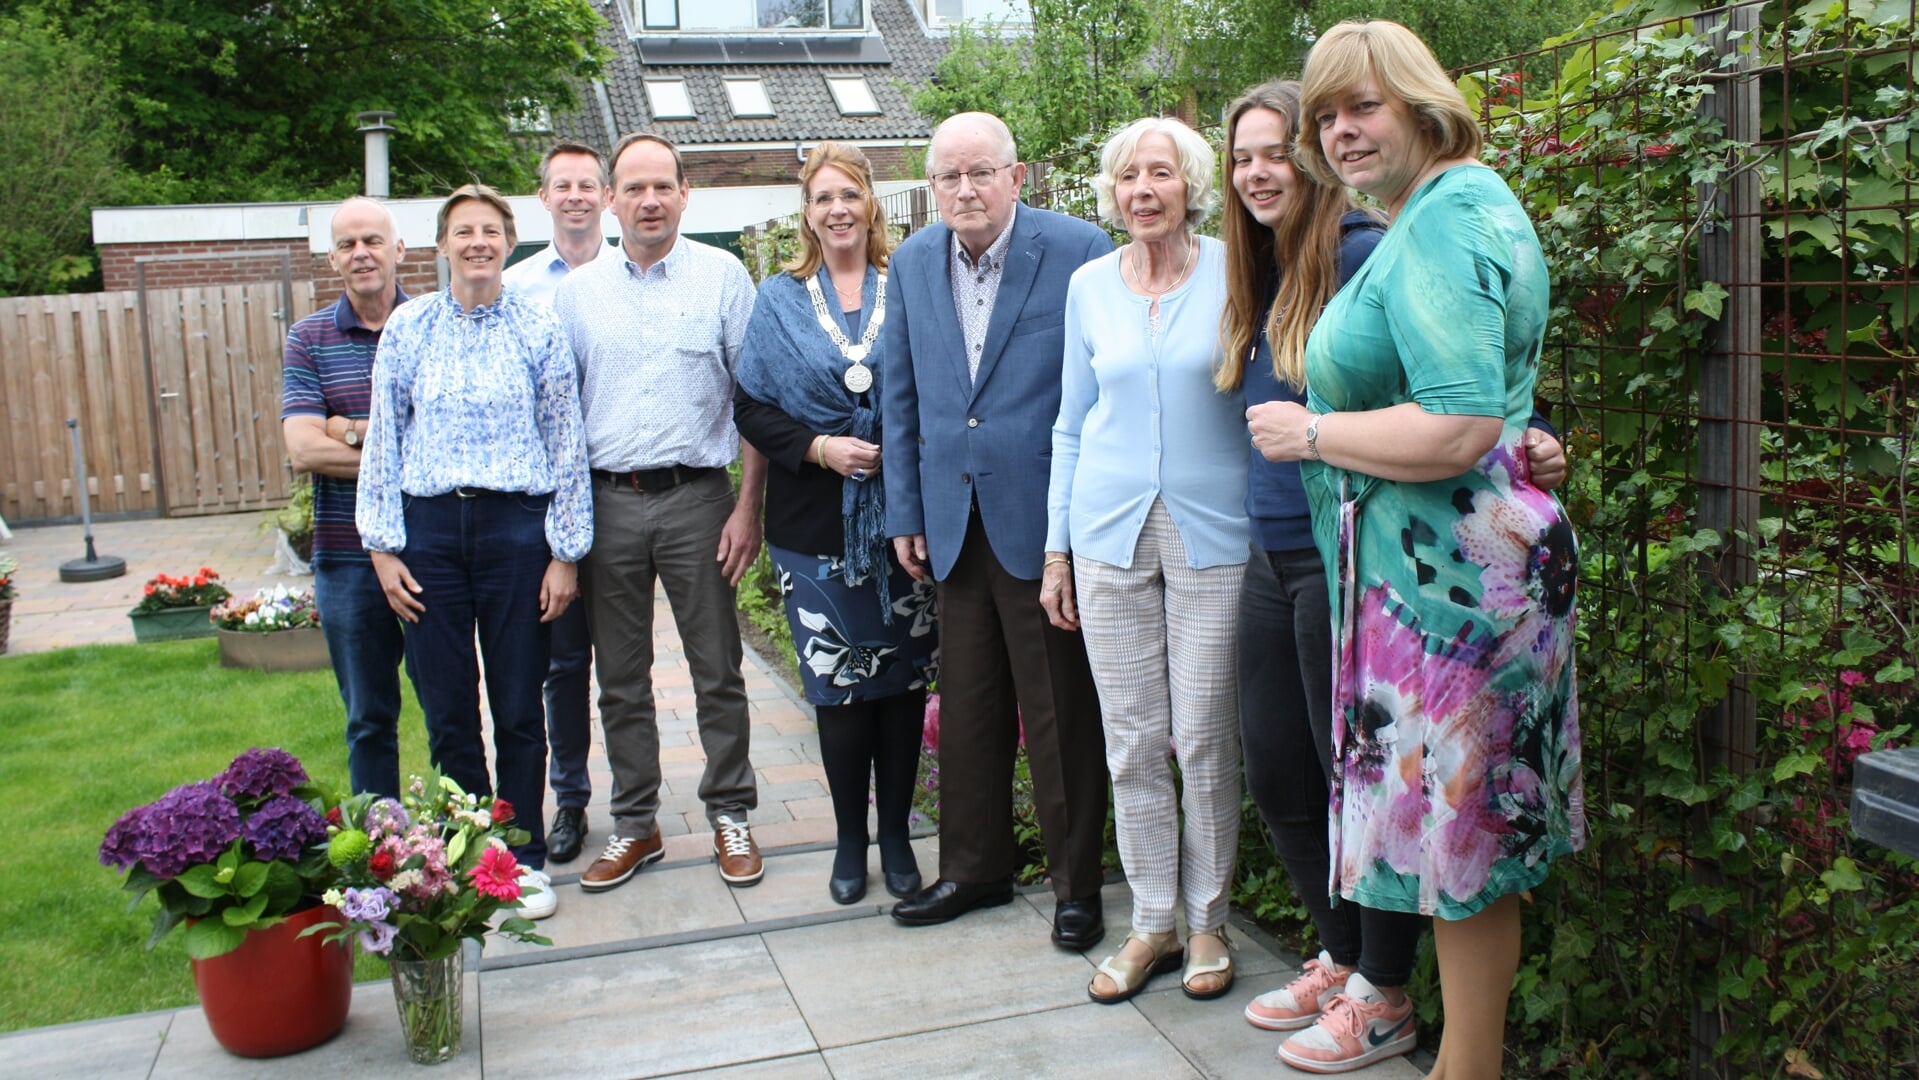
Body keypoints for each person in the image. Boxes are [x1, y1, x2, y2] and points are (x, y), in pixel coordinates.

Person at [1257, 22, 1586, 1078]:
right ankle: (1460, 1061)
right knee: (1463, 853)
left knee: (1466, 849)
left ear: (1418, 103)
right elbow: (1491, 408)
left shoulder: (1443, 218)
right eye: (1325, 116)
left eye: (1363, 106)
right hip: (1434, 580)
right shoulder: (1433, 211)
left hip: (1448, 589)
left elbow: (1454, 426)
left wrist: (1307, 432)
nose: (1341, 132)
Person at [881, 111, 1114, 951]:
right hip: (948, 520)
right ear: (931, 185)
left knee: (1058, 711)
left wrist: (1077, 526)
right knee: (970, 706)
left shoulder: (1081, 250)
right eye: (949, 176)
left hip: (1043, 522)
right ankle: (973, 869)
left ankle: (1075, 885)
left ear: (1018, 176)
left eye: (981, 172)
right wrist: (904, 508)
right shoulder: (909, 262)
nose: (966, 190)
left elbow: (1099, 395)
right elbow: (899, 396)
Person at [1041, 117, 1245, 1003]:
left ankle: (1208, 921)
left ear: (1190, 185)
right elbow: (1067, 422)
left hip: (1214, 531)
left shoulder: (1239, 272)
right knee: (1129, 740)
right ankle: (1151, 922)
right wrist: (1056, 549)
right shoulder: (1088, 285)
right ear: (1111, 193)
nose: (1142, 191)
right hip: (1106, 532)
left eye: (1159, 174)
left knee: (1201, 735)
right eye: (1127, 177)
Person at [356, 184, 593, 921]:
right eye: (464, 231)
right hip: (429, 534)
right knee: (450, 706)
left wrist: (566, 552)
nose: (477, 243)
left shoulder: (538, 326)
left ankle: (519, 857)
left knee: (521, 704)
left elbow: (565, 439)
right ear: (442, 245)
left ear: (508, 241)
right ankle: (466, 850)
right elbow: (385, 437)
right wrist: (382, 549)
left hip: (516, 535)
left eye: (490, 230)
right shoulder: (409, 326)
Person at [554, 133, 770, 892]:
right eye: (633, 188)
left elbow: (754, 403)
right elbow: (560, 417)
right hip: (608, 502)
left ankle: (729, 812)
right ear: (611, 199)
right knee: (620, 676)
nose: (649, 201)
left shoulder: (723, 277)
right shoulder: (576, 295)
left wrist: (748, 509)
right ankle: (636, 825)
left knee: (718, 667)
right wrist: (566, 530)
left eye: (662, 187)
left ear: (685, 195)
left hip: (699, 501)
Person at [733, 142, 939, 905]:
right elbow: (750, 404)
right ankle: (851, 839)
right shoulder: (778, 298)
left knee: (902, 685)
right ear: (807, 214)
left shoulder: (909, 285)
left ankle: (897, 837)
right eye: (822, 198)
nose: (837, 209)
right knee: (838, 688)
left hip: (904, 521)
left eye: (849, 194)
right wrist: (819, 447)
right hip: (813, 526)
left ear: (870, 203)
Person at [503, 140, 613, 865]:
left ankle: (639, 802)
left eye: (586, 184)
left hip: (625, 489)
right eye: (561, 185)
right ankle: (569, 801)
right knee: (562, 665)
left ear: (604, 195)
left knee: (628, 668)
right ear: (542, 198)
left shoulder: (630, 271)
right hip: (550, 509)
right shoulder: (513, 287)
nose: (575, 195)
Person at [282, 197, 411, 801]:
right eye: (347, 244)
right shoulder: (308, 338)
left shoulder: (432, 325)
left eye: (373, 240)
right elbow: (304, 448)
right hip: (347, 558)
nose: (361, 253)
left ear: (399, 249)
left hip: (431, 550)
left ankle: (463, 844)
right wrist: (392, 447)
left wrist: (346, 426)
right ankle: (383, 853)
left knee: (452, 713)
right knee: (368, 720)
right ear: (333, 259)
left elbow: (452, 439)